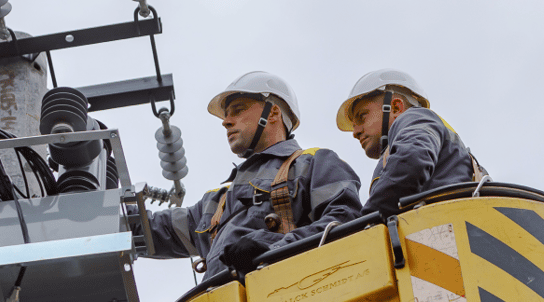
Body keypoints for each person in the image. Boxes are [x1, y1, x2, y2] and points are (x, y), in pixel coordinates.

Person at [147, 71, 363, 277]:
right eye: (226, 115)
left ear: (273, 113)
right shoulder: (216, 202)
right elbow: (150, 231)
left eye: (238, 110)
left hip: (287, 300)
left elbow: (344, 221)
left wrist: (272, 248)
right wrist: (115, 202)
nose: (226, 121)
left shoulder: (313, 163)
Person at [337, 69, 485, 217]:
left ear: (395, 107)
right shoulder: (405, 143)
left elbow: (412, 160)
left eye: (362, 116)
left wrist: (367, 223)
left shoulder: (415, 118)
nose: (355, 132)